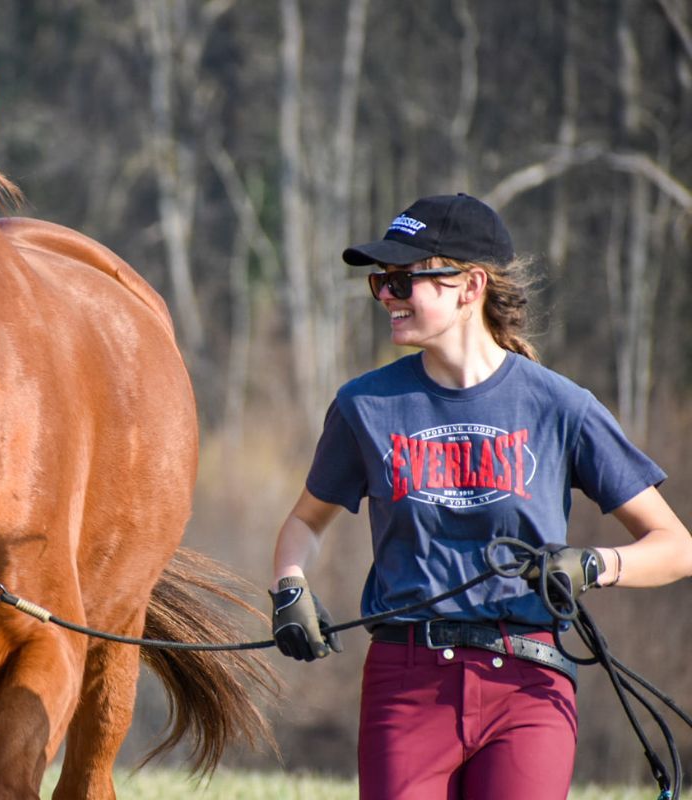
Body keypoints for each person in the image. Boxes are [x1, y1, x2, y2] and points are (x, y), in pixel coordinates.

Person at [268, 193, 692, 799]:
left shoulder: (562, 407)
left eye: (402, 280)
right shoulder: (364, 406)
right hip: (405, 684)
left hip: (529, 686)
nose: (385, 295)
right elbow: (305, 523)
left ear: (470, 286)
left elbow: (677, 546)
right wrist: (290, 587)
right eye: (380, 281)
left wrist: (596, 565)